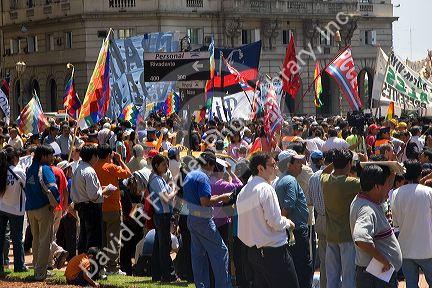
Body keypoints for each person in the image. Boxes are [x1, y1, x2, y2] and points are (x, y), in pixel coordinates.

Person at [237, 152, 299, 288]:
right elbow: (275, 222)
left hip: (254, 252)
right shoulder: (265, 188)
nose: (275, 168)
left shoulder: (244, 191)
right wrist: (287, 222)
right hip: (273, 253)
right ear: (260, 168)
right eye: (272, 165)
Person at [182, 151, 232, 288]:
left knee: (199, 256)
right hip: (203, 220)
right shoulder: (203, 177)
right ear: (209, 164)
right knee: (222, 251)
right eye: (213, 165)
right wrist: (222, 197)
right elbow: (205, 201)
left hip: (192, 218)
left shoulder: (190, 175)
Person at [350, 164, 402, 288]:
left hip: (375, 275)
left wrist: (392, 173)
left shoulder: (365, 200)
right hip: (376, 277)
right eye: (386, 185)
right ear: (377, 187)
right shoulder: (367, 209)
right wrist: (383, 260)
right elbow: (361, 238)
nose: (388, 189)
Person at [321, 149, 359, 288]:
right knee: (349, 277)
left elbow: (324, 172)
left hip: (331, 235)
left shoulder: (325, 180)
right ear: (349, 164)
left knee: (332, 277)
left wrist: (335, 162)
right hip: (347, 236)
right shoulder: (352, 182)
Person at [391, 160, 432, 288]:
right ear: (420, 174)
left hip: (405, 249)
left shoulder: (396, 194)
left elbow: (396, 223)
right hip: (427, 249)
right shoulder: (428, 192)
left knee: (411, 284)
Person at [275, 150, 312, 288]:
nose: (301, 165)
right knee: (302, 266)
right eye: (297, 162)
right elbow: (288, 204)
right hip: (296, 231)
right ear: (289, 165)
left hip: (291, 231)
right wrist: (283, 222)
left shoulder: (282, 180)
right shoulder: (290, 180)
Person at [94, 144, 131, 275]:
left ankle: (102, 266)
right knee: (114, 240)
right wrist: (120, 160)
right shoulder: (111, 167)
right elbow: (128, 173)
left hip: (99, 208)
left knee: (103, 240)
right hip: (113, 208)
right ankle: (113, 268)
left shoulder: (93, 166)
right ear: (109, 155)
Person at [25, 145, 60, 280]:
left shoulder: (29, 169)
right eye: (50, 155)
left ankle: (37, 268)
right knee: (45, 240)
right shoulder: (45, 168)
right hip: (44, 208)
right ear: (43, 156)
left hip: (31, 209)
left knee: (36, 240)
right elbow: (53, 188)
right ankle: (40, 272)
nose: (53, 158)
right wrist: (55, 203)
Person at [71, 144, 113, 254]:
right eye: (96, 155)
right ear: (93, 156)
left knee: (84, 238)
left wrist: (100, 189)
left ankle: (82, 266)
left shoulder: (78, 169)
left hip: (82, 207)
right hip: (91, 208)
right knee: (93, 240)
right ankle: (91, 268)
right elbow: (94, 196)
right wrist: (105, 191)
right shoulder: (89, 171)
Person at [147, 154, 178, 282]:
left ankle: (157, 274)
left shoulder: (159, 178)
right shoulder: (156, 180)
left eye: (166, 164)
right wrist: (175, 191)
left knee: (159, 246)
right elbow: (166, 198)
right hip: (161, 215)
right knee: (164, 246)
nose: (166, 167)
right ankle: (168, 275)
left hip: (162, 215)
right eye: (164, 164)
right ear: (156, 166)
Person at [307, 150, 334, 288]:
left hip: (320, 220)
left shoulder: (314, 177)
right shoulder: (335, 176)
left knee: (324, 261)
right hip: (333, 221)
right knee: (336, 261)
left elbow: (309, 201)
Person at [0, 146, 28, 274]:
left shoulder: (1, 170)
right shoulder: (19, 171)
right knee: (17, 239)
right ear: (15, 158)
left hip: (1, 208)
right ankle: (19, 266)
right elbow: (26, 187)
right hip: (16, 209)